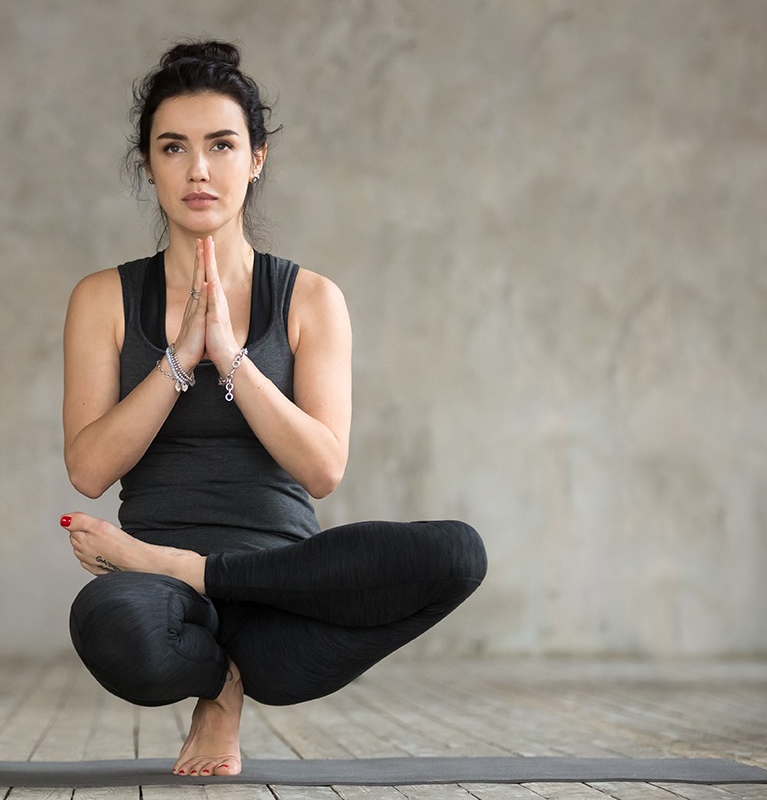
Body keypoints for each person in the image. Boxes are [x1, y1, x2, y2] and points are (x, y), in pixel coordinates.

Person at [58, 40, 487, 778]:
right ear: (149, 165)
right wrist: (179, 356)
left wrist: (232, 357)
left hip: (284, 590)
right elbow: (89, 470)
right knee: (109, 627)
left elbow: (323, 469)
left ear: (255, 158)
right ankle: (218, 679)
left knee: (457, 555)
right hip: (157, 595)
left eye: (221, 145)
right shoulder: (104, 299)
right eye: (173, 147)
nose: (198, 169)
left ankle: (201, 581)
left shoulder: (311, 298)